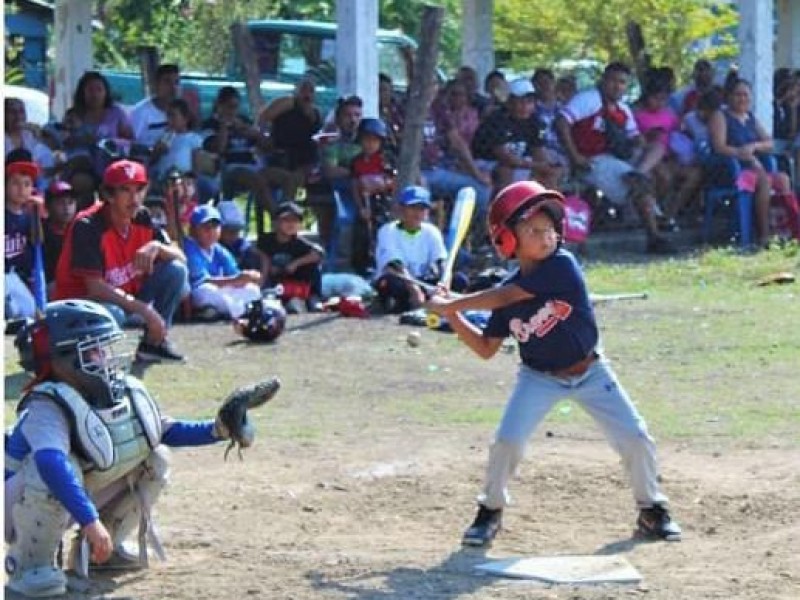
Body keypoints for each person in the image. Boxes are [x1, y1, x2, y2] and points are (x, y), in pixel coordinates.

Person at [424, 180, 682, 547]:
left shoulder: (562, 264)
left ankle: (652, 510)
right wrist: (451, 316)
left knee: (635, 437)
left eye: (549, 229)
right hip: (538, 378)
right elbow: (485, 347)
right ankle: (490, 511)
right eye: (533, 231)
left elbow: (505, 295)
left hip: (590, 370)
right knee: (507, 442)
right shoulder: (504, 295)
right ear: (508, 240)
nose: (546, 237)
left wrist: (451, 304)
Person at [4, 299, 278, 598]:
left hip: (72, 492)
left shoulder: (120, 391)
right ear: (65, 358)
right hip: (16, 505)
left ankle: (105, 552)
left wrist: (219, 429)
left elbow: (160, 431)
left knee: (154, 456)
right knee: (50, 473)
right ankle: (32, 569)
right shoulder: (46, 403)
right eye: (94, 350)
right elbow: (51, 465)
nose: (106, 358)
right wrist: (91, 521)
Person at [54, 160, 189, 362]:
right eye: (125, 190)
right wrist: (145, 311)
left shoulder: (141, 216)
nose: (134, 199)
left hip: (121, 298)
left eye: (139, 190)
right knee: (112, 313)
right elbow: (95, 289)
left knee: (176, 270)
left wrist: (158, 247)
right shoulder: (88, 225)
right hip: (77, 310)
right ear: (108, 195)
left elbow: (182, 258)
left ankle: (153, 344)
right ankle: (81, 355)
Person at [555, 62, 674, 254]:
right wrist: (575, 156)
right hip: (591, 159)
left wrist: (643, 142)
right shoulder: (589, 99)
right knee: (638, 185)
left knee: (656, 149)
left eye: (622, 82)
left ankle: (639, 175)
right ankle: (655, 233)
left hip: (618, 157)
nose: (617, 86)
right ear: (603, 80)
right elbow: (561, 123)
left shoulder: (623, 109)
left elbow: (636, 138)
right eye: (613, 80)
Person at [708, 77, 800, 244]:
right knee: (763, 180)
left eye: (746, 95)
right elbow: (719, 147)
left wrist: (754, 147)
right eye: (738, 95)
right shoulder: (720, 116)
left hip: (753, 167)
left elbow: (769, 142)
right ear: (729, 96)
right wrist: (741, 153)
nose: (742, 99)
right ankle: (763, 234)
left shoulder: (750, 117)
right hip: (730, 169)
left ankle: (787, 229)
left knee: (783, 179)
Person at [373, 186, 452, 314]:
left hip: (421, 280)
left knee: (460, 280)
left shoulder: (432, 231)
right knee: (393, 284)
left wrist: (444, 285)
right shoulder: (388, 230)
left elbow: (441, 262)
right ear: (401, 208)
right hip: (400, 280)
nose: (417, 212)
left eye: (422, 208)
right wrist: (414, 290)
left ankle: (436, 302)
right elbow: (395, 265)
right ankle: (404, 306)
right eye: (413, 207)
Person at [183, 204, 262, 320]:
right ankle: (242, 310)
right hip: (200, 292)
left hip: (222, 289)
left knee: (252, 290)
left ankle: (220, 311)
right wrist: (236, 280)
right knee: (207, 290)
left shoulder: (219, 249)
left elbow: (233, 273)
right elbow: (203, 281)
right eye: (206, 227)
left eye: (215, 227)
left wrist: (247, 277)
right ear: (193, 230)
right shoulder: (190, 248)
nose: (211, 231)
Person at [255, 202, 324, 313]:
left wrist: (296, 263)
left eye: (295, 221)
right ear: (276, 223)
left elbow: (319, 253)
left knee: (313, 266)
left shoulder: (301, 243)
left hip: (298, 284)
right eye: (286, 220)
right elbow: (261, 257)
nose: (291, 224)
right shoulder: (266, 241)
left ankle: (313, 297)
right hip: (276, 284)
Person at [5, 151, 42, 322]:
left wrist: (41, 214)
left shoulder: (30, 216)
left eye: (27, 184)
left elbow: (36, 251)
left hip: (16, 277)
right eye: (15, 183)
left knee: (31, 314)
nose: (21, 189)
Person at [129, 63, 182, 148]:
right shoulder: (140, 112)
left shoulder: (182, 110)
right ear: (156, 84)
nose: (173, 87)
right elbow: (131, 145)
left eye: (176, 82)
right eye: (167, 82)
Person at [42, 180, 78, 289]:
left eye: (70, 202)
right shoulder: (40, 231)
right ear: (48, 206)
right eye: (60, 203)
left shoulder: (81, 230)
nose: (67, 208)